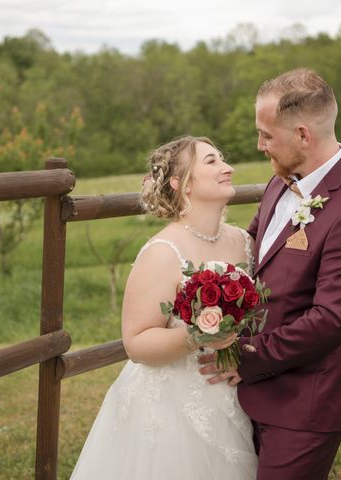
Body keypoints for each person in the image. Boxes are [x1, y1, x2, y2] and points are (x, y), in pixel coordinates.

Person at [200, 67, 341, 479]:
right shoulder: (280, 182)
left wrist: (245, 358)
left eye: (267, 135)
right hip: (253, 389)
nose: (259, 145)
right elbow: (250, 251)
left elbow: (333, 320)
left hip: (307, 398)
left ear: (303, 135)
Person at [70, 135, 258, 479]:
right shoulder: (162, 252)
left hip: (230, 396)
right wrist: (198, 335)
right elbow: (136, 343)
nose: (227, 168)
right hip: (171, 406)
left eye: (223, 160)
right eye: (212, 162)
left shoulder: (244, 243)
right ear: (181, 183)